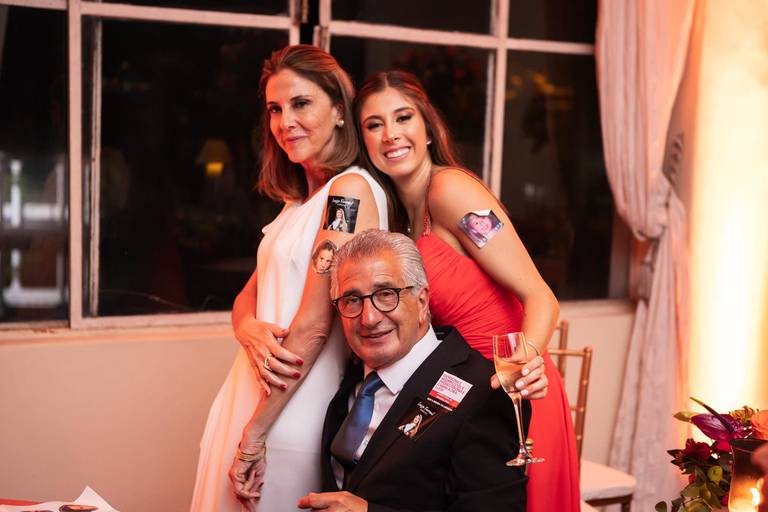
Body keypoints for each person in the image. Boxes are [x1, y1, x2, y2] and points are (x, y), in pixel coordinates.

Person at [353, 70, 579, 512]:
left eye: (403, 117)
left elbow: (540, 296)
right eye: (374, 124)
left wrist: (521, 367)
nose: (391, 134)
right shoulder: (399, 218)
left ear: (428, 129)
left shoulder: (451, 190)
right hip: (466, 397)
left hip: (515, 392)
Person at [190, 45, 389, 512]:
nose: (285, 122)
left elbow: (316, 323)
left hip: (293, 409)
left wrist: (256, 432)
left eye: (301, 104)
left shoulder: (348, 193)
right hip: (251, 392)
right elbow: (248, 295)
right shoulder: (297, 202)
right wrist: (247, 328)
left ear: (338, 111)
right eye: (275, 109)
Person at [298, 229, 528, 512]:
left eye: (386, 294)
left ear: (421, 302)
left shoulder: (482, 392)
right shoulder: (349, 374)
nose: (368, 318)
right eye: (352, 300)